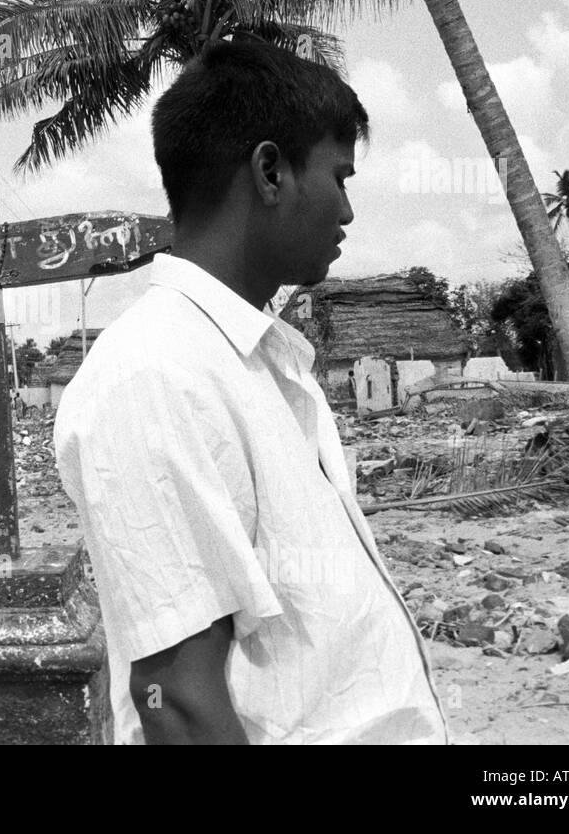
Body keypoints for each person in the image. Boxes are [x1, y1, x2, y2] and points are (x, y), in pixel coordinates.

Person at [54, 38, 447, 745]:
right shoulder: (154, 373)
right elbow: (175, 700)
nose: (349, 210)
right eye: (340, 175)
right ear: (271, 171)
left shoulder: (265, 362)